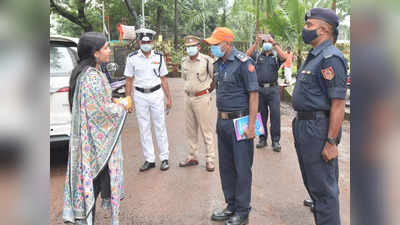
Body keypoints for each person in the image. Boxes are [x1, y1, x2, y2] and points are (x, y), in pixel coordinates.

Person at [63, 32, 126, 225]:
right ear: (95, 53)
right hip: (93, 145)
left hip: (91, 142)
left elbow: (96, 103)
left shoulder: (91, 72)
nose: (108, 50)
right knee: (92, 183)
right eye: (106, 47)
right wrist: (121, 107)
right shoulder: (90, 77)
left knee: (93, 183)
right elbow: (98, 112)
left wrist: (112, 101)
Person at [291, 8, 347, 225]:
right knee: (314, 185)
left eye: (309, 26)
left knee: (324, 192)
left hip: (318, 128)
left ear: (323, 30)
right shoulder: (315, 55)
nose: (305, 30)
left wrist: (331, 142)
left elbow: (338, 104)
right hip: (305, 126)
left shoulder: (331, 58)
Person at [205, 27, 258, 225]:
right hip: (223, 122)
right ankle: (231, 205)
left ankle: (243, 211)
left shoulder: (244, 63)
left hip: (241, 122)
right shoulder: (218, 64)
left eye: (215, 44)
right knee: (226, 167)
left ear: (227, 43)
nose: (212, 48)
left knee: (242, 168)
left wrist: (252, 126)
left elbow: (254, 95)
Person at [124, 28, 171, 172]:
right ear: (139, 42)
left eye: (148, 42)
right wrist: (128, 99)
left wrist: (168, 98)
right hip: (140, 96)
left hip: (156, 94)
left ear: (152, 42)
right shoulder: (132, 58)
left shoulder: (159, 57)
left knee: (160, 126)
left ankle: (164, 158)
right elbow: (129, 80)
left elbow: (163, 78)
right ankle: (149, 159)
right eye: (143, 42)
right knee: (144, 128)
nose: (146, 44)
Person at [179, 35, 216, 172]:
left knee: (206, 130)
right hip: (188, 98)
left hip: (202, 98)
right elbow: (185, 79)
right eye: (188, 47)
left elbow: (215, 79)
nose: (190, 49)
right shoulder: (184, 61)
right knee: (190, 129)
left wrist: (208, 92)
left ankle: (210, 158)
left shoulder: (207, 61)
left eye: (193, 46)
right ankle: (192, 155)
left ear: (199, 47)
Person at [246, 34, 287, 152]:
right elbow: (246, 55)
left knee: (275, 115)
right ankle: (262, 139)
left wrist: (274, 43)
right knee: (261, 115)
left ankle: (276, 141)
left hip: (273, 90)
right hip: (260, 90)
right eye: (265, 42)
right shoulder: (258, 56)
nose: (266, 43)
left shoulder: (275, 57)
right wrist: (256, 43)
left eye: (268, 41)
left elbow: (284, 57)